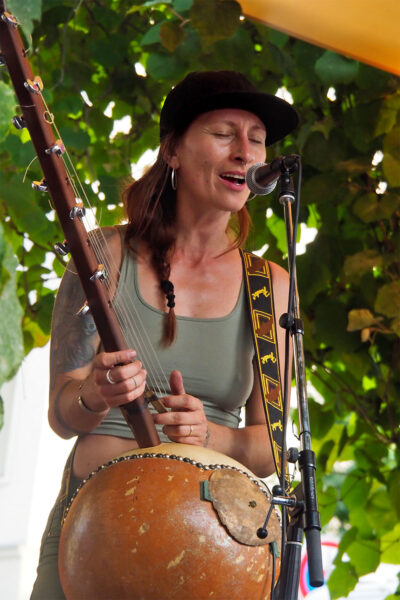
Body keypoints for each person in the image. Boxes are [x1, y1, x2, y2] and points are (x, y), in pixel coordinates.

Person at [30, 70, 298, 599]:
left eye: (257, 140)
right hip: (94, 535)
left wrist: (209, 436)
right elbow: (61, 416)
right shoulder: (102, 257)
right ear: (172, 150)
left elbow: (271, 447)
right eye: (224, 134)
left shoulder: (272, 288)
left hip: (213, 555)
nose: (245, 152)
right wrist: (93, 393)